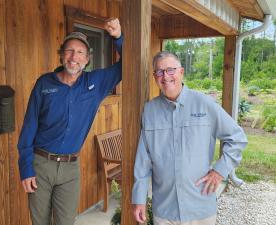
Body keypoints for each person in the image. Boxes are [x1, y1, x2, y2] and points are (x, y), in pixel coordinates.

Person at [17, 18, 122, 225]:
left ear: (87, 59)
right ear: (61, 55)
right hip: (40, 165)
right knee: (40, 222)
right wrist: (26, 168)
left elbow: (129, 62)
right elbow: (29, 127)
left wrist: (118, 37)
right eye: (69, 51)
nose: (74, 57)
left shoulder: (96, 83)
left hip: (70, 168)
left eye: (80, 52)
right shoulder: (44, 83)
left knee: (66, 222)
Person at [132, 51, 248, 225]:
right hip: (165, 209)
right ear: (155, 76)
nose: (165, 76)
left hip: (200, 206)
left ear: (181, 72)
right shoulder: (149, 111)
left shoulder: (204, 104)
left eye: (171, 70)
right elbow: (143, 159)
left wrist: (219, 171)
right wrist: (139, 198)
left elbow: (237, 137)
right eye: (159, 72)